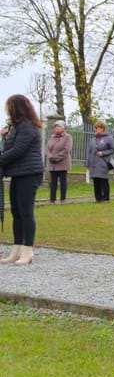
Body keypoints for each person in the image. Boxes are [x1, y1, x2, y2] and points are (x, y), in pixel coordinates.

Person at [0, 95, 44, 266]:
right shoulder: (18, 128)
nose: (7, 111)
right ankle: (17, 249)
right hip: (19, 174)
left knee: (26, 213)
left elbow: (18, 150)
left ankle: (28, 250)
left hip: (29, 174)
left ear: (16, 109)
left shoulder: (27, 127)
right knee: (16, 213)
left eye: (9, 107)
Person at [86, 121, 114, 203]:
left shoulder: (108, 138)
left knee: (103, 180)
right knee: (96, 181)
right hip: (93, 163)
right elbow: (89, 151)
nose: (95, 129)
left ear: (102, 128)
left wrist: (103, 153)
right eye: (94, 128)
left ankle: (106, 198)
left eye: (97, 128)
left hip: (103, 162)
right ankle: (98, 199)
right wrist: (88, 162)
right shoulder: (93, 139)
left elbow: (113, 149)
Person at [46, 119, 73, 204]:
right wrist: (50, 157)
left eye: (58, 126)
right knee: (53, 182)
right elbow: (47, 148)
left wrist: (56, 158)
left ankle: (63, 199)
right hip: (52, 164)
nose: (56, 128)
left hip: (62, 163)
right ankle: (52, 199)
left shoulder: (67, 137)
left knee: (63, 182)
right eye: (55, 127)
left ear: (63, 128)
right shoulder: (51, 137)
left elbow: (66, 149)